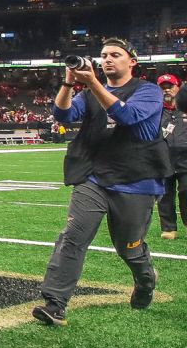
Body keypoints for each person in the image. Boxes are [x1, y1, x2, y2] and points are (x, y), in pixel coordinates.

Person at [33, 39, 169, 325]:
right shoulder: (90, 92)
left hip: (137, 179)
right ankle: (55, 303)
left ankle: (145, 279)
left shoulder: (148, 91)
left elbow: (127, 115)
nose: (108, 59)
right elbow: (63, 115)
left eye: (115, 55)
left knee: (128, 247)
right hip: (94, 177)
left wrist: (93, 83)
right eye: (104, 55)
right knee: (73, 236)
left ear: (132, 61)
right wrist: (69, 84)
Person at [156, 75, 185, 240]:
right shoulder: (155, 110)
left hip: (185, 158)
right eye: (162, 87)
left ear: (178, 88)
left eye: (170, 86)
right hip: (163, 158)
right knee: (165, 195)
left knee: (186, 192)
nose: (166, 89)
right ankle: (169, 228)